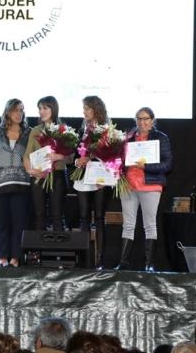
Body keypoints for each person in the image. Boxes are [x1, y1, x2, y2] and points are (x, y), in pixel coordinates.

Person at [116, 107, 172, 272]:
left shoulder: (161, 138)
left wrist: (145, 166)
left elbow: (168, 165)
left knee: (149, 224)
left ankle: (149, 264)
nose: (142, 122)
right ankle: (123, 263)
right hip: (129, 185)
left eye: (146, 118)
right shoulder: (128, 138)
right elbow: (120, 161)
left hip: (151, 185)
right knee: (127, 224)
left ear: (153, 120)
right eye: (139, 119)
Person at [0, 98, 32, 267]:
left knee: (19, 223)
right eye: (15, 110)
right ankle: (3, 258)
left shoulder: (29, 133)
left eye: (21, 110)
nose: (18, 114)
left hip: (22, 183)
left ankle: (15, 258)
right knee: (2, 223)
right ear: (7, 112)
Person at [73, 96, 112, 269]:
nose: (84, 111)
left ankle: (100, 261)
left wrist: (91, 157)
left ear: (96, 109)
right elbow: (78, 153)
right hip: (83, 177)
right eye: (84, 108)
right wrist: (77, 161)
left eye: (86, 108)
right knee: (83, 218)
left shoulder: (107, 129)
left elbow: (110, 154)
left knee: (99, 217)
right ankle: (84, 260)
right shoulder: (84, 129)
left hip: (100, 177)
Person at [24, 96, 69, 232]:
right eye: (39, 109)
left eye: (45, 108)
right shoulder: (35, 130)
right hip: (38, 175)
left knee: (57, 216)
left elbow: (71, 157)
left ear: (53, 109)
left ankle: (59, 253)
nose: (41, 111)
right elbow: (26, 155)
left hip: (58, 174)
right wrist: (29, 170)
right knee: (39, 215)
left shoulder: (63, 129)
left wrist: (58, 156)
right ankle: (38, 253)